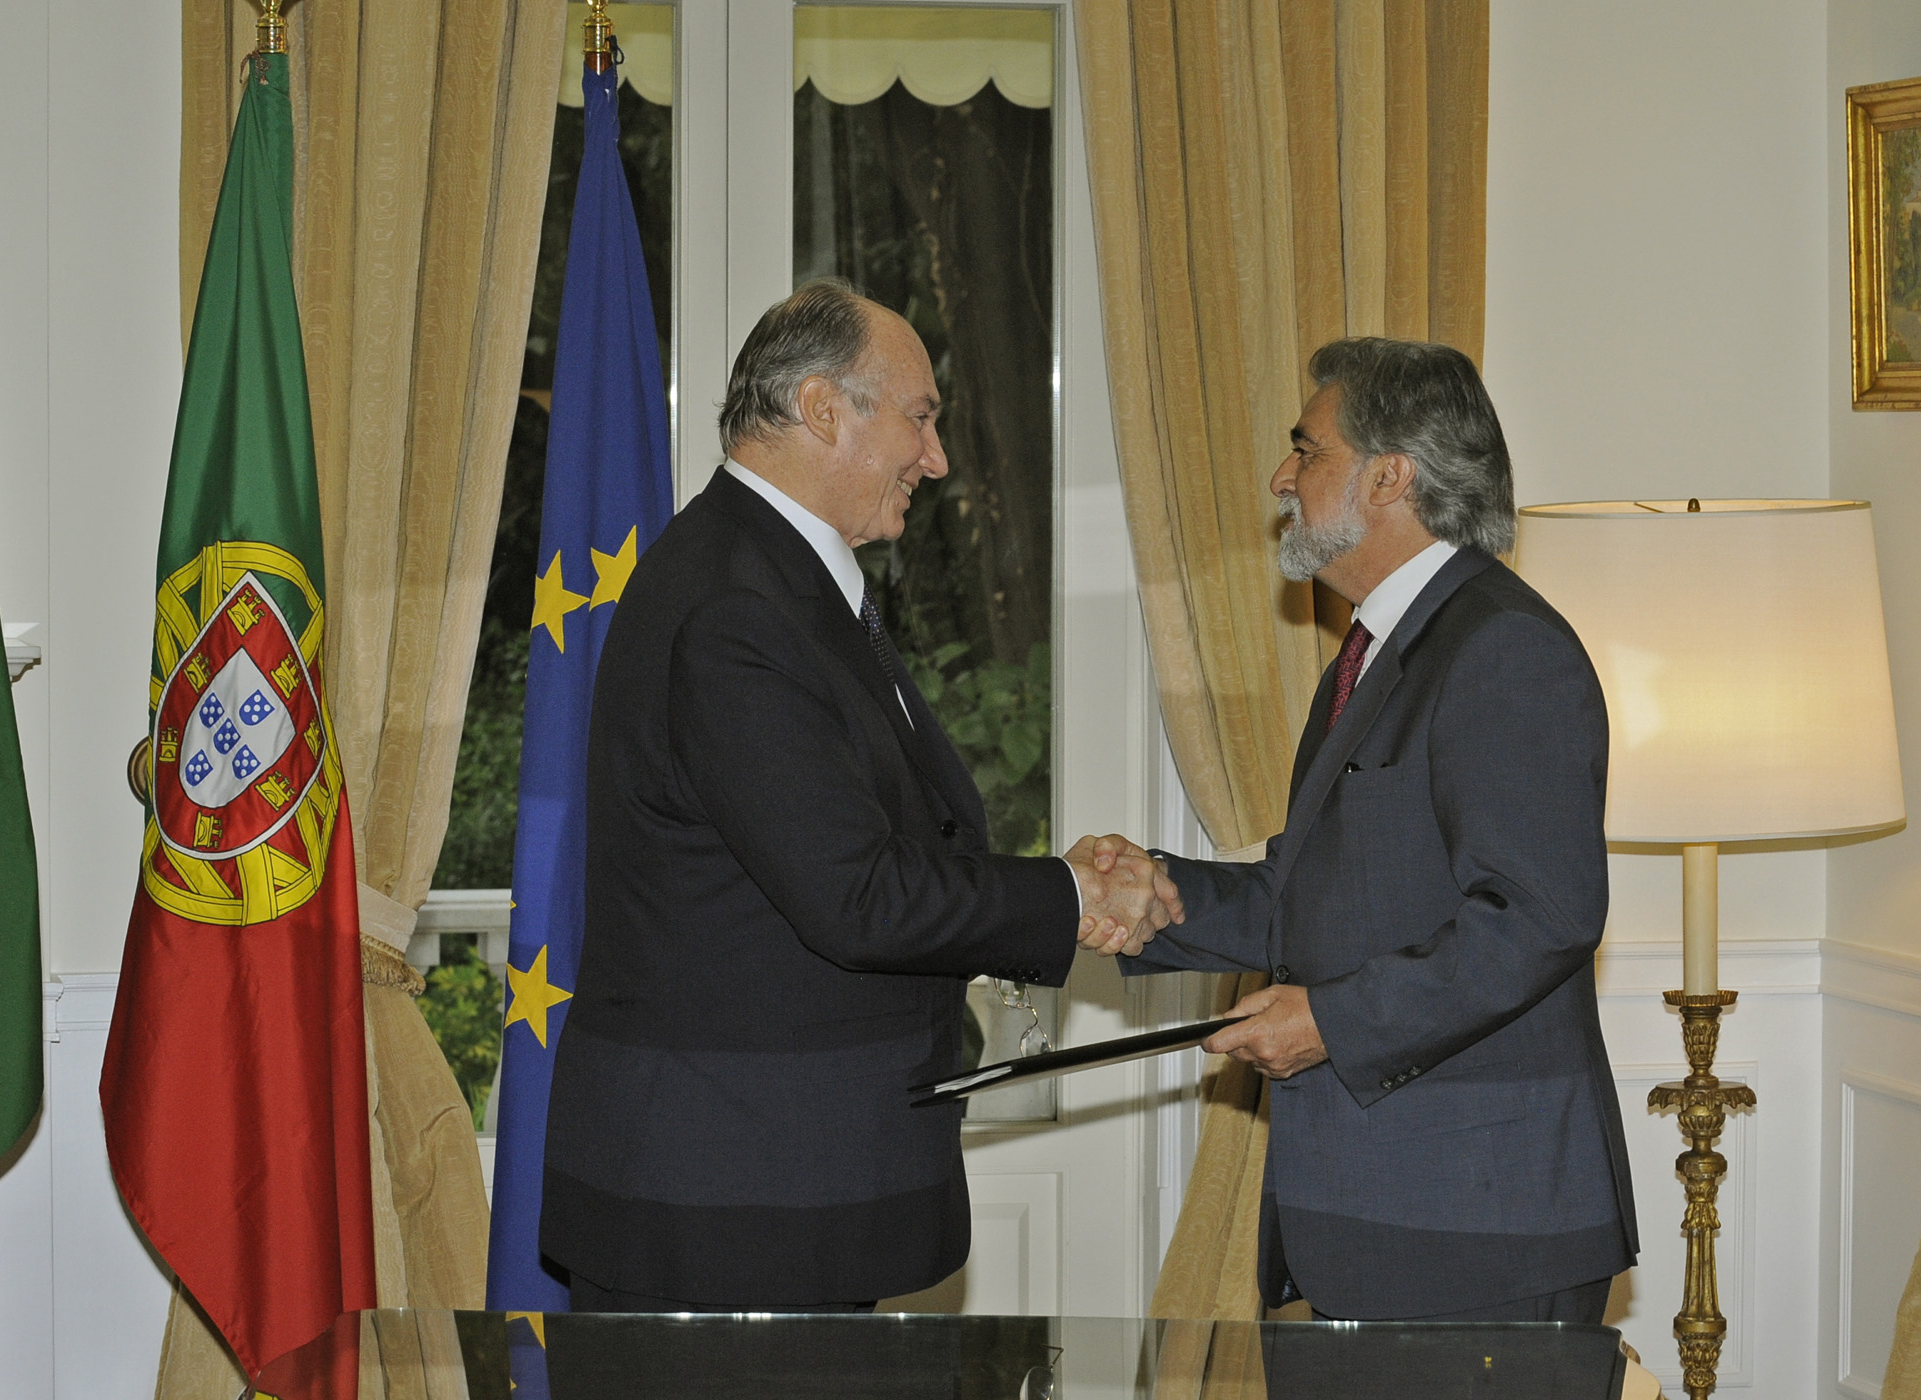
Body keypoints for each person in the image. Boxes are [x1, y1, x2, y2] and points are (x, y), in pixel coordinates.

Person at [541, 279, 1182, 1312]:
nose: (936, 457)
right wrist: (1064, 895)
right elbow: (858, 894)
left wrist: (1058, 882)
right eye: (921, 418)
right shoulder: (736, 607)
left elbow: (901, 835)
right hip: (727, 1202)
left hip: (778, 1186)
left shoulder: (778, 582)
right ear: (824, 410)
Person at [1113, 337, 1638, 1322]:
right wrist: (1141, 895)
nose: (1282, 477)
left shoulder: (1503, 647)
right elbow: (1306, 896)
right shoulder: (1379, 647)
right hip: (1386, 1213)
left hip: (1478, 1225)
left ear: (1391, 475)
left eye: (1306, 449)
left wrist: (1329, 1022)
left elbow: (1543, 915)